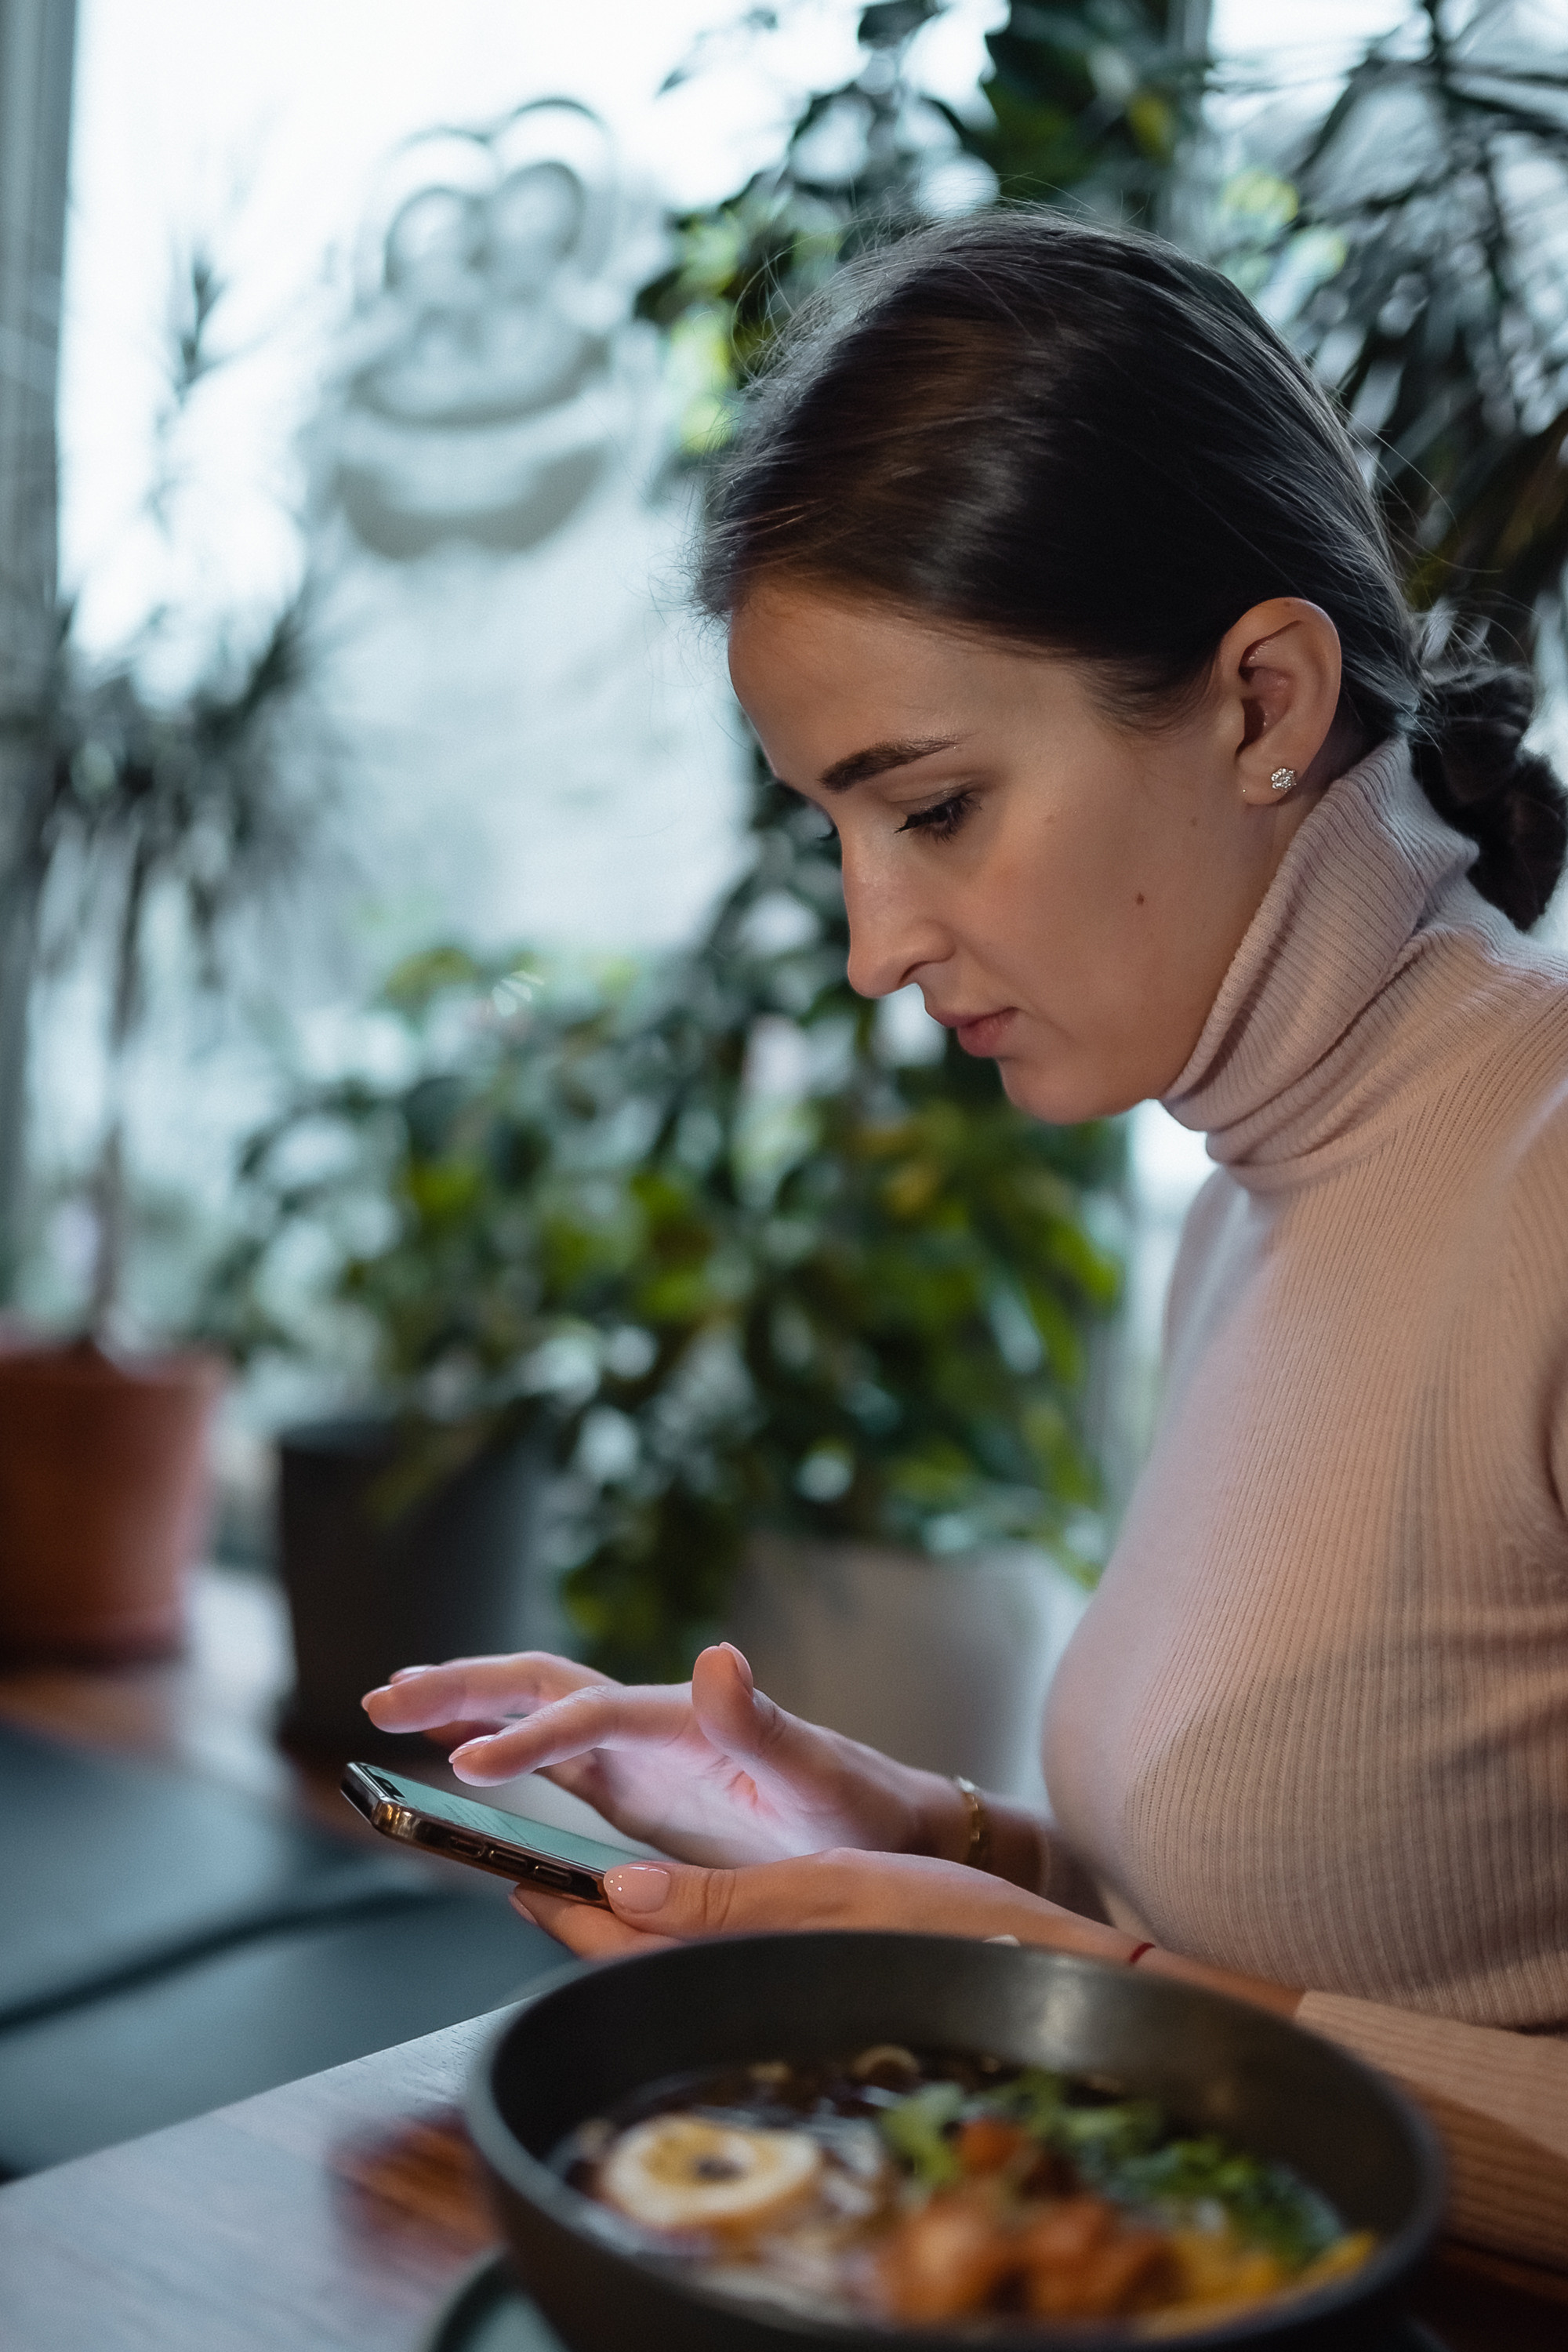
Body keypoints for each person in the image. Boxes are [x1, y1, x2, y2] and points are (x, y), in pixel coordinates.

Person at [363, 214, 1568, 2257]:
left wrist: (1032, 1993)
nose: (869, 949)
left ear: (1265, 700)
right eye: (832, 832)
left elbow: (1226, 2019)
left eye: (928, 809)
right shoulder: (1249, 1201)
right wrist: (911, 1840)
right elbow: (1326, 1932)